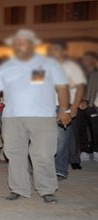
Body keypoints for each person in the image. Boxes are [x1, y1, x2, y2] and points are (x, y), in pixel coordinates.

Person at [0, 29, 71, 204]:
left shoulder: (49, 64)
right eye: (16, 42)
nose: (18, 45)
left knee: (44, 154)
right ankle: (18, 189)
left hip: (43, 116)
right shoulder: (6, 67)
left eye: (22, 41)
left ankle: (47, 190)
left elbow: (62, 88)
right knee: (14, 154)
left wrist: (65, 110)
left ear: (32, 44)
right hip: (12, 117)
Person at [47, 40, 86, 177]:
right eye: (51, 49)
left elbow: (80, 87)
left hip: (63, 107)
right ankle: (44, 168)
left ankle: (60, 169)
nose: (52, 52)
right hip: (45, 106)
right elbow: (35, 85)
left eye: (56, 49)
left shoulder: (71, 67)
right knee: (45, 139)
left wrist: (74, 106)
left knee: (61, 140)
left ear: (64, 52)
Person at [76, 51, 98, 162]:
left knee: (95, 129)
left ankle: (95, 151)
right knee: (81, 128)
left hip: (94, 105)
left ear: (94, 60)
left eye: (87, 58)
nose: (84, 61)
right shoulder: (81, 73)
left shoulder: (96, 73)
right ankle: (84, 151)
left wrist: (89, 102)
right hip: (80, 105)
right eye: (83, 58)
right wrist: (80, 102)